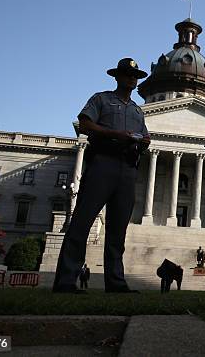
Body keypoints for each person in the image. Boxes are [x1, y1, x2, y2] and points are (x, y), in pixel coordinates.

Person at [53, 57, 150, 294]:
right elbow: (85, 124)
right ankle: (66, 281)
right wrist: (115, 134)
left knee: (118, 230)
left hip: (127, 168)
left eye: (134, 76)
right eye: (126, 74)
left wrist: (143, 142)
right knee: (82, 222)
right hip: (103, 163)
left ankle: (115, 282)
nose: (131, 79)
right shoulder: (101, 99)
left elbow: (144, 136)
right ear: (117, 76)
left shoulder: (138, 111)